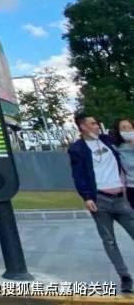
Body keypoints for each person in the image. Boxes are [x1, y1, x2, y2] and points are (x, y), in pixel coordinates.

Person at [68, 111, 134, 293]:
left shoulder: (108, 140)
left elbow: (125, 137)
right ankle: (125, 277)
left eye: (97, 123)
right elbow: (78, 175)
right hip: (100, 200)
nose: (97, 126)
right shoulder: (77, 149)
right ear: (83, 126)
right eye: (93, 124)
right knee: (109, 241)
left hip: (120, 199)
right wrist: (86, 197)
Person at [111, 119, 134, 209]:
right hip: (131, 186)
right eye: (123, 128)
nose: (127, 130)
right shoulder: (116, 148)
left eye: (130, 127)